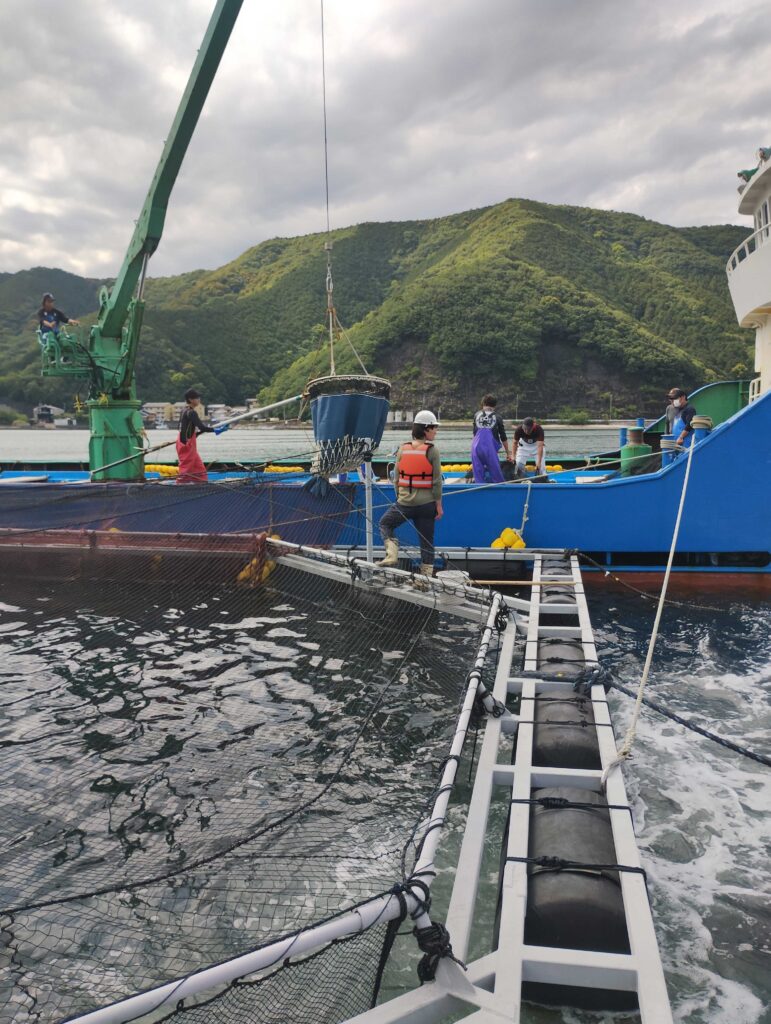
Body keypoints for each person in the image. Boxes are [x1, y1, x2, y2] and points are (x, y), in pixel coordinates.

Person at [378, 410, 443, 578]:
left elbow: (396, 479)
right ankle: (425, 579)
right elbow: (437, 481)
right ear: (426, 429)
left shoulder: (402, 449)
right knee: (426, 542)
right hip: (427, 505)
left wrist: (400, 498)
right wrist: (439, 506)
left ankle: (392, 555)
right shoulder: (433, 450)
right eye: (434, 428)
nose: (436, 431)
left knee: (385, 523)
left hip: (404, 504)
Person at [176, 388, 226, 483]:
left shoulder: (183, 411)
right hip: (187, 446)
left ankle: (201, 485)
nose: (199, 399)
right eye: (197, 398)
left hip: (183, 442)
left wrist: (197, 434)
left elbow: (182, 429)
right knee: (185, 471)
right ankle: (179, 487)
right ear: (190, 399)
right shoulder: (191, 412)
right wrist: (216, 430)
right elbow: (202, 428)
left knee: (199, 469)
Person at [471, 395, 511, 483]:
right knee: (496, 472)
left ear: (483, 404)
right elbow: (503, 436)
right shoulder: (498, 417)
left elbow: (474, 434)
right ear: (495, 405)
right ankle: (499, 488)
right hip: (490, 449)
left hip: (476, 448)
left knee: (478, 473)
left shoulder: (476, 415)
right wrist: (508, 453)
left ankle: (478, 487)